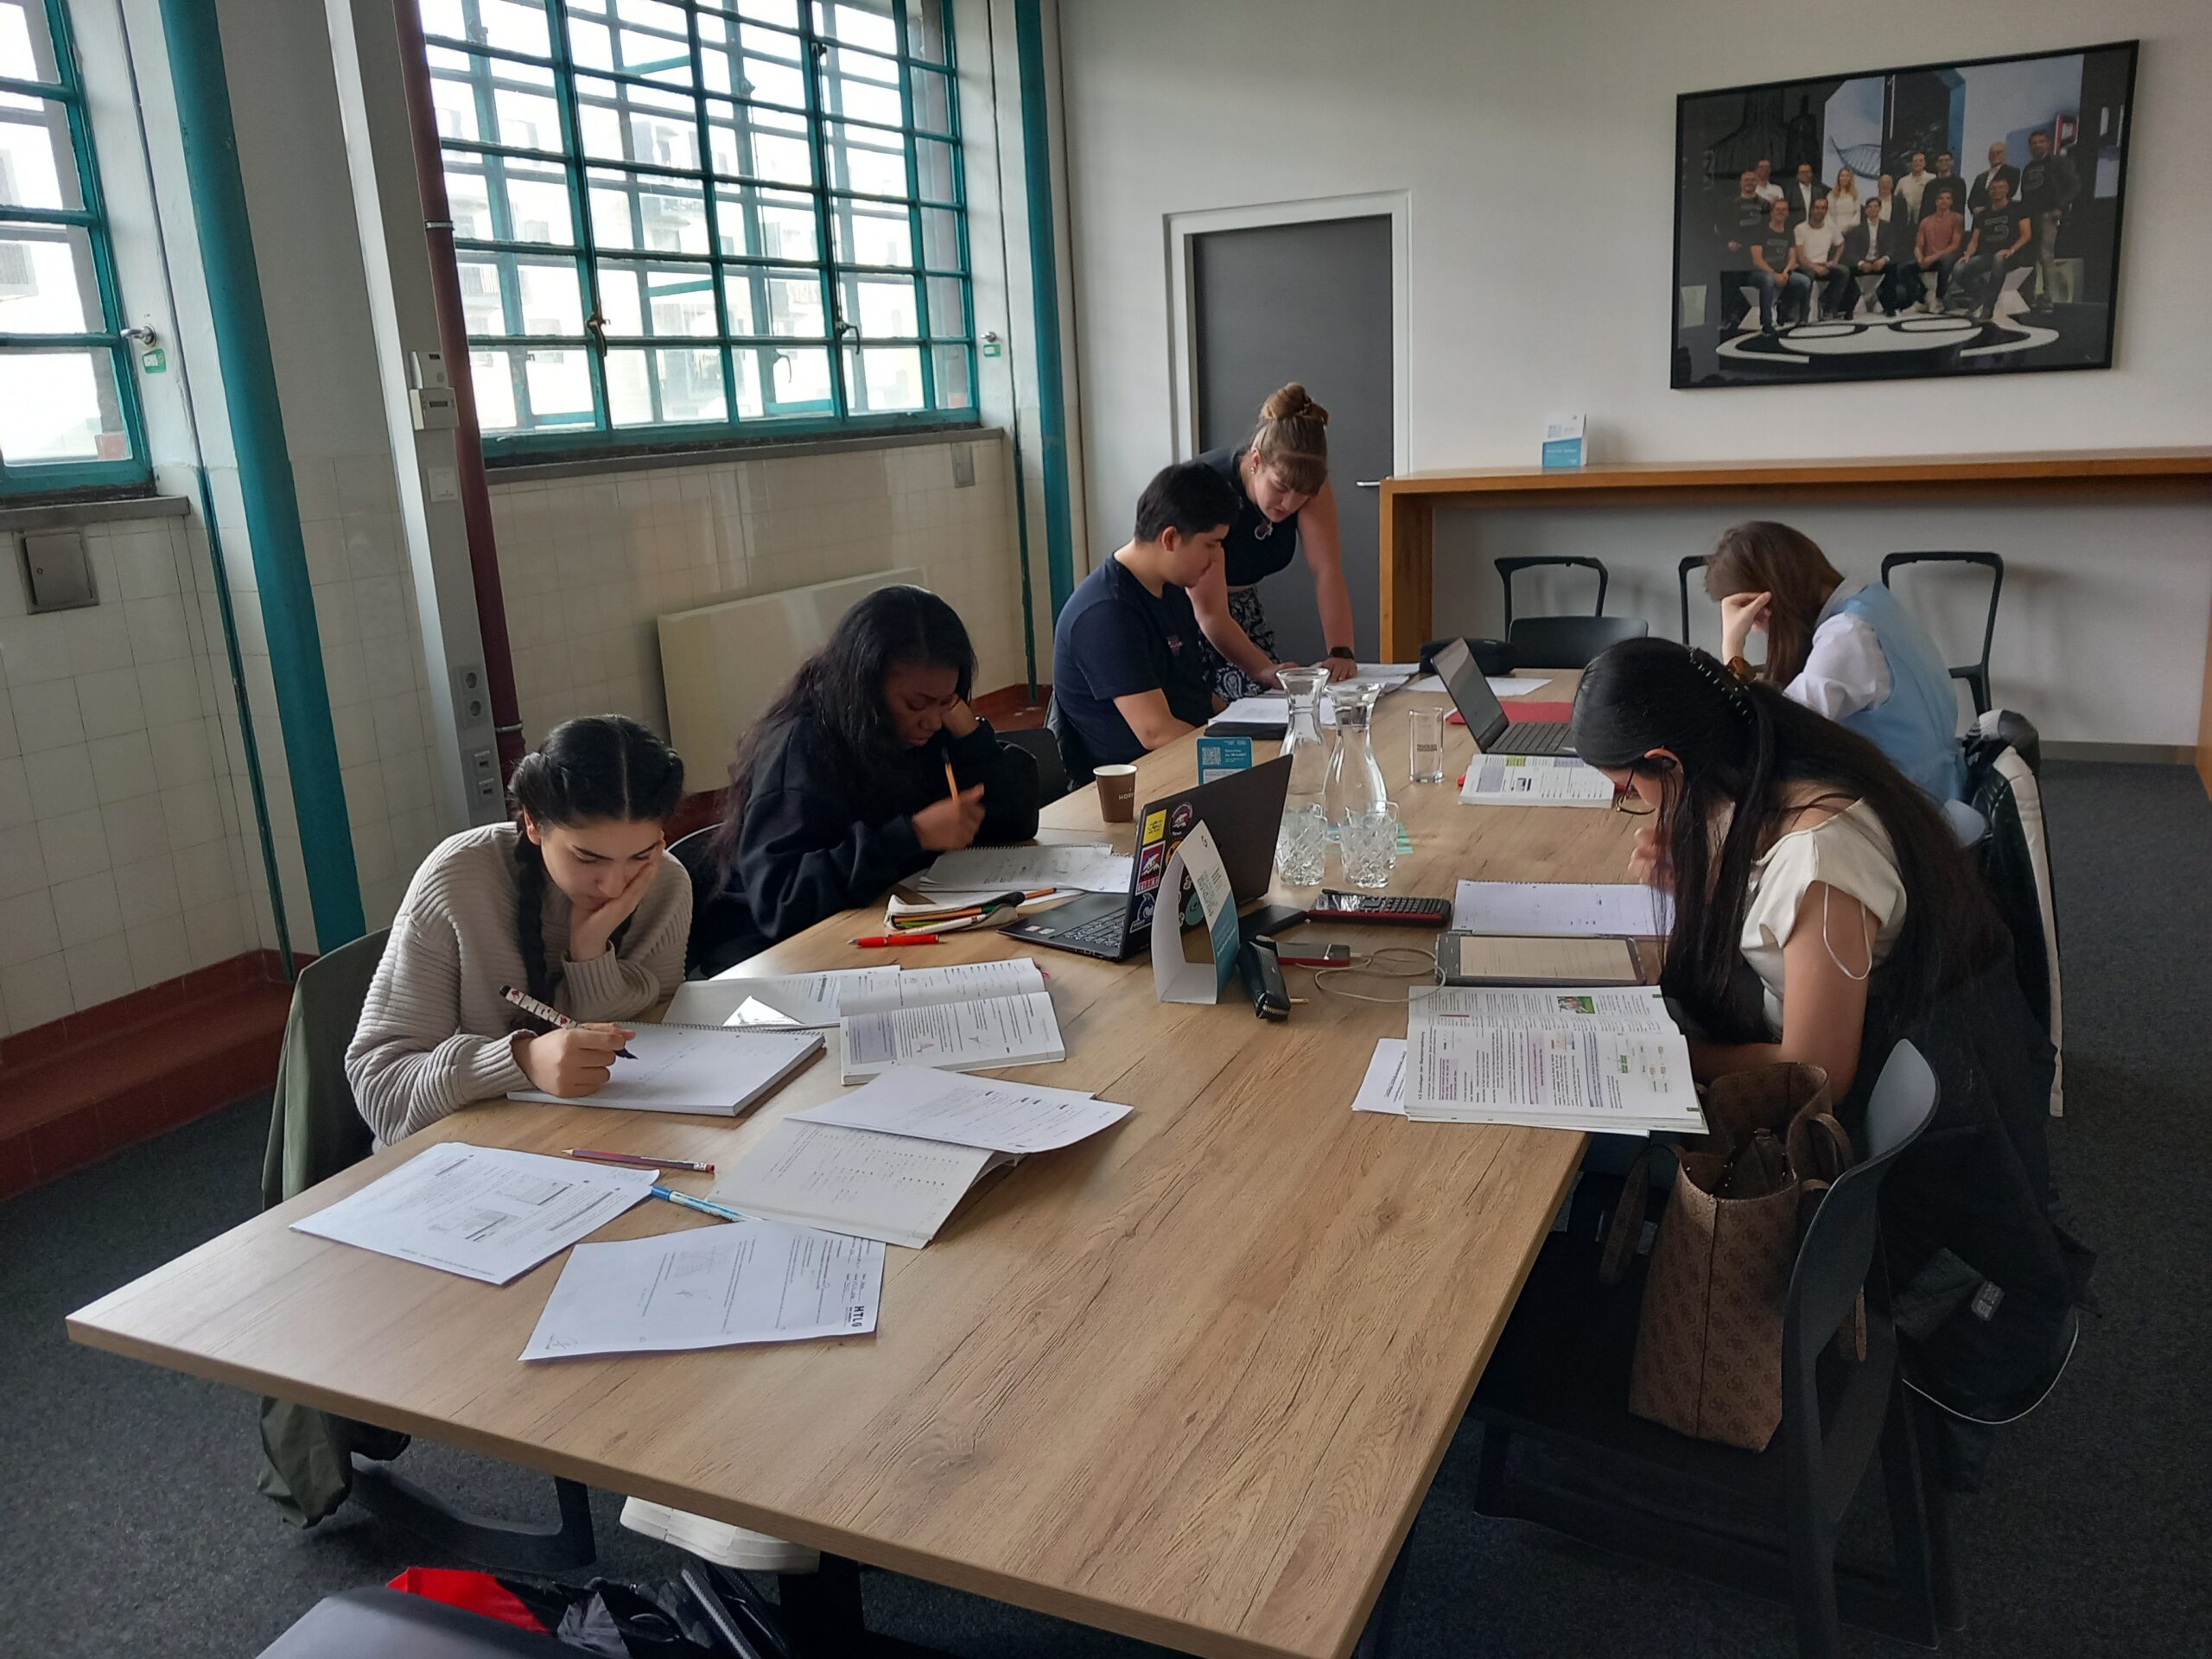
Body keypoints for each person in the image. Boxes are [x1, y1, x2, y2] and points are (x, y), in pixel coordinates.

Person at [1573, 639, 2004, 1097]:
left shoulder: (1820, 859)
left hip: (1833, 1093)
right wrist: (1703, 883)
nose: (1637, 802)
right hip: (1794, 1029)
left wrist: (1667, 1052)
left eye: (1629, 789)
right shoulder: (1770, 771)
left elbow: (1818, 1072)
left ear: (1666, 762)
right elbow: (1773, 918)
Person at [346, 715, 690, 1147]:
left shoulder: (666, 884)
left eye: (640, 855)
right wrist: (521, 1059)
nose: (614, 886)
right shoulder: (457, 878)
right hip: (462, 1151)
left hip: (598, 1137)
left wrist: (589, 952)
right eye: (588, 858)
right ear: (533, 823)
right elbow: (381, 1088)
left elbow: (658, 1049)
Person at [689, 586, 1041, 976]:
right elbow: (782, 903)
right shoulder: (803, 746)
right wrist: (912, 836)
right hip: (777, 958)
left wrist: (972, 737)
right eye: (916, 704)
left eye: (947, 702)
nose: (932, 720)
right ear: (866, 688)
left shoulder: (927, 728)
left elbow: (1019, 820)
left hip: (883, 925)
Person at [1707, 520, 1969, 807]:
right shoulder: (1874, 602)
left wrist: (1732, 648)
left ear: (1766, 600)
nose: (1756, 629)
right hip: (1942, 786)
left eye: (1753, 615)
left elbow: (1768, 738)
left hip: (1913, 805)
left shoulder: (1847, 635)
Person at [1051, 459, 1236, 768]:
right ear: (1170, 538)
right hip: (1135, 781)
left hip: (1182, 757)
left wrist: (1243, 725)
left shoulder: (1170, 589)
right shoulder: (1106, 612)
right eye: (1211, 545)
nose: (1216, 558)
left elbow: (1197, 694)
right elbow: (1155, 732)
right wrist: (1236, 755)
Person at [1190, 385, 1358, 699]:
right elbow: (1210, 614)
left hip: (1245, 611)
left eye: (1303, 494)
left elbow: (1327, 571)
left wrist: (1341, 651)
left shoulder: (1306, 482)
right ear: (1256, 460)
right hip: (1188, 613)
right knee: (1239, 702)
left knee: (1280, 700)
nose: (1290, 503)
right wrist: (1264, 670)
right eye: (1280, 487)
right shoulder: (1207, 487)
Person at [2016, 127, 2081, 313]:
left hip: (2047, 215)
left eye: (2041, 142)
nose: (2038, 145)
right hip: (2029, 217)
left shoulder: (2058, 163)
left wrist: (2060, 207)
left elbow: (2075, 185)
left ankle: (2048, 296)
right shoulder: (2028, 168)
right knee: (2029, 258)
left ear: (2048, 143)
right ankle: (2028, 296)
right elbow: (2025, 194)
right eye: (2034, 143)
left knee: (2045, 255)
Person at [1955, 175, 2033, 321]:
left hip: (2014, 255)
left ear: (2007, 190)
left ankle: (1989, 306)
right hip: (1988, 256)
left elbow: (2026, 235)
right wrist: (1967, 255)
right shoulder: (1983, 214)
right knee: (1959, 268)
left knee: (1999, 258)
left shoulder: (2019, 208)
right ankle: (1980, 295)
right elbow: (1974, 241)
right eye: (1993, 188)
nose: (1996, 190)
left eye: (2000, 187)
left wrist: (2011, 250)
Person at [1715, 168, 1776, 333]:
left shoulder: (1765, 205)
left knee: (1767, 281)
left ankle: (1766, 323)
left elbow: (1769, 230)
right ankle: (1727, 318)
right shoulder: (1731, 205)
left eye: (1752, 180)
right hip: (1735, 259)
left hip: (1756, 261)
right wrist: (1728, 244)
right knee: (1727, 282)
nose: (1749, 183)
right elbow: (1723, 228)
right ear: (1741, 183)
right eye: (1746, 180)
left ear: (1757, 182)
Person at [1844, 194, 1914, 316]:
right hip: (1864, 262)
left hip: (1880, 261)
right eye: (1870, 207)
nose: (1873, 209)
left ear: (1880, 209)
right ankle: (1849, 309)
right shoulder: (1857, 229)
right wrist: (1861, 263)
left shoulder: (1888, 227)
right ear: (1866, 210)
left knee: (1892, 268)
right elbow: (1851, 251)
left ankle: (1890, 307)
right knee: (1848, 270)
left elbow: (1892, 247)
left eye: (1876, 206)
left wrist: (1883, 259)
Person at [1749, 198, 1808, 332]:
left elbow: (1792, 257)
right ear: (1771, 212)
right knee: (1768, 280)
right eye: (1778, 209)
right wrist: (1774, 274)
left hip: (1782, 272)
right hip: (1760, 273)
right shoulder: (1760, 231)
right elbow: (1757, 260)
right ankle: (1766, 323)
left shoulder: (1789, 232)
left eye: (1784, 210)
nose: (1781, 212)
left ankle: (1793, 314)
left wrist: (1786, 272)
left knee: (1804, 281)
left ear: (1788, 213)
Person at [1791, 195, 1851, 320]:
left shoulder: (1831, 227)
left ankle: (1829, 308)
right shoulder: (1800, 229)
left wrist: (1834, 261)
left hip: (1824, 264)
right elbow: (1800, 257)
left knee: (1843, 271)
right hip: (1805, 266)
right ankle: (1803, 314)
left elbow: (1841, 244)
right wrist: (1815, 267)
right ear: (1811, 210)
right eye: (1817, 208)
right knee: (1809, 275)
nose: (1820, 211)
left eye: (1823, 208)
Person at [1913, 182, 1966, 311]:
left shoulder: (1957, 218)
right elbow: (1918, 245)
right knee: (1903, 268)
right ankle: (1921, 298)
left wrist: (1934, 256)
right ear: (1936, 202)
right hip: (1928, 258)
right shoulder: (1926, 221)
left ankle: (1939, 297)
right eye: (1941, 198)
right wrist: (1920, 258)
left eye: (1948, 198)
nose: (1944, 201)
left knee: (1944, 262)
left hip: (1947, 257)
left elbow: (1955, 245)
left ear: (1951, 201)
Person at [1967, 141, 2021, 223]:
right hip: (1980, 219)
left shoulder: (2012, 172)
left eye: (1998, 152)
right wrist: (1975, 209)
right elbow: (1972, 198)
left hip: (2001, 216)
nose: (1995, 155)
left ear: (2005, 154)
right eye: (1992, 153)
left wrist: (1989, 208)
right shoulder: (1980, 177)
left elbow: (2011, 192)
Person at [1895, 151, 1933, 226]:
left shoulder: (1932, 178)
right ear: (1911, 163)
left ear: (1925, 163)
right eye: (1915, 161)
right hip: (1906, 222)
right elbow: (1896, 200)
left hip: (1926, 220)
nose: (1917, 163)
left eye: (1920, 161)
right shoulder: (1903, 181)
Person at [1785, 161, 1827, 226]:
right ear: (1798, 175)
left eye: (1807, 172)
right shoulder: (1790, 192)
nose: (1805, 174)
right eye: (1802, 172)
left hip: (1814, 226)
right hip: (1796, 226)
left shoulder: (1818, 192)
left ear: (1811, 174)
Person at [1827, 165, 1864, 233]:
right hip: (1834, 229)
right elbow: (1827, 213)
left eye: (1847, 176)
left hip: (1850, 230)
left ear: (1850, 179)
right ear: (1838, 178)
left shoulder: (1855, 195)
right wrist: (1833, 227)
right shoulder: (1831, 195)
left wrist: (1850, 226)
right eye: (1842, 176)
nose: (1844, 178)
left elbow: (1857, 213)